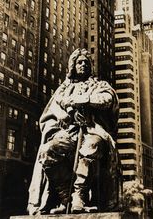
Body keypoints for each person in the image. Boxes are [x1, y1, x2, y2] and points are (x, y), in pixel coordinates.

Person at [27, 48, 120, 215]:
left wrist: (82, 100)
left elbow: (107, 100)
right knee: (47, 151)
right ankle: (65, 198)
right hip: (68, 132)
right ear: (73, 66)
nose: (83, 64)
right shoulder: (63, 88)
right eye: (79, 62)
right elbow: (52, 109)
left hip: (92, 130)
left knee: (92, 146)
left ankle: (79, 195)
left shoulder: (99, 85)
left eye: (86, 62)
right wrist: (63, 114)